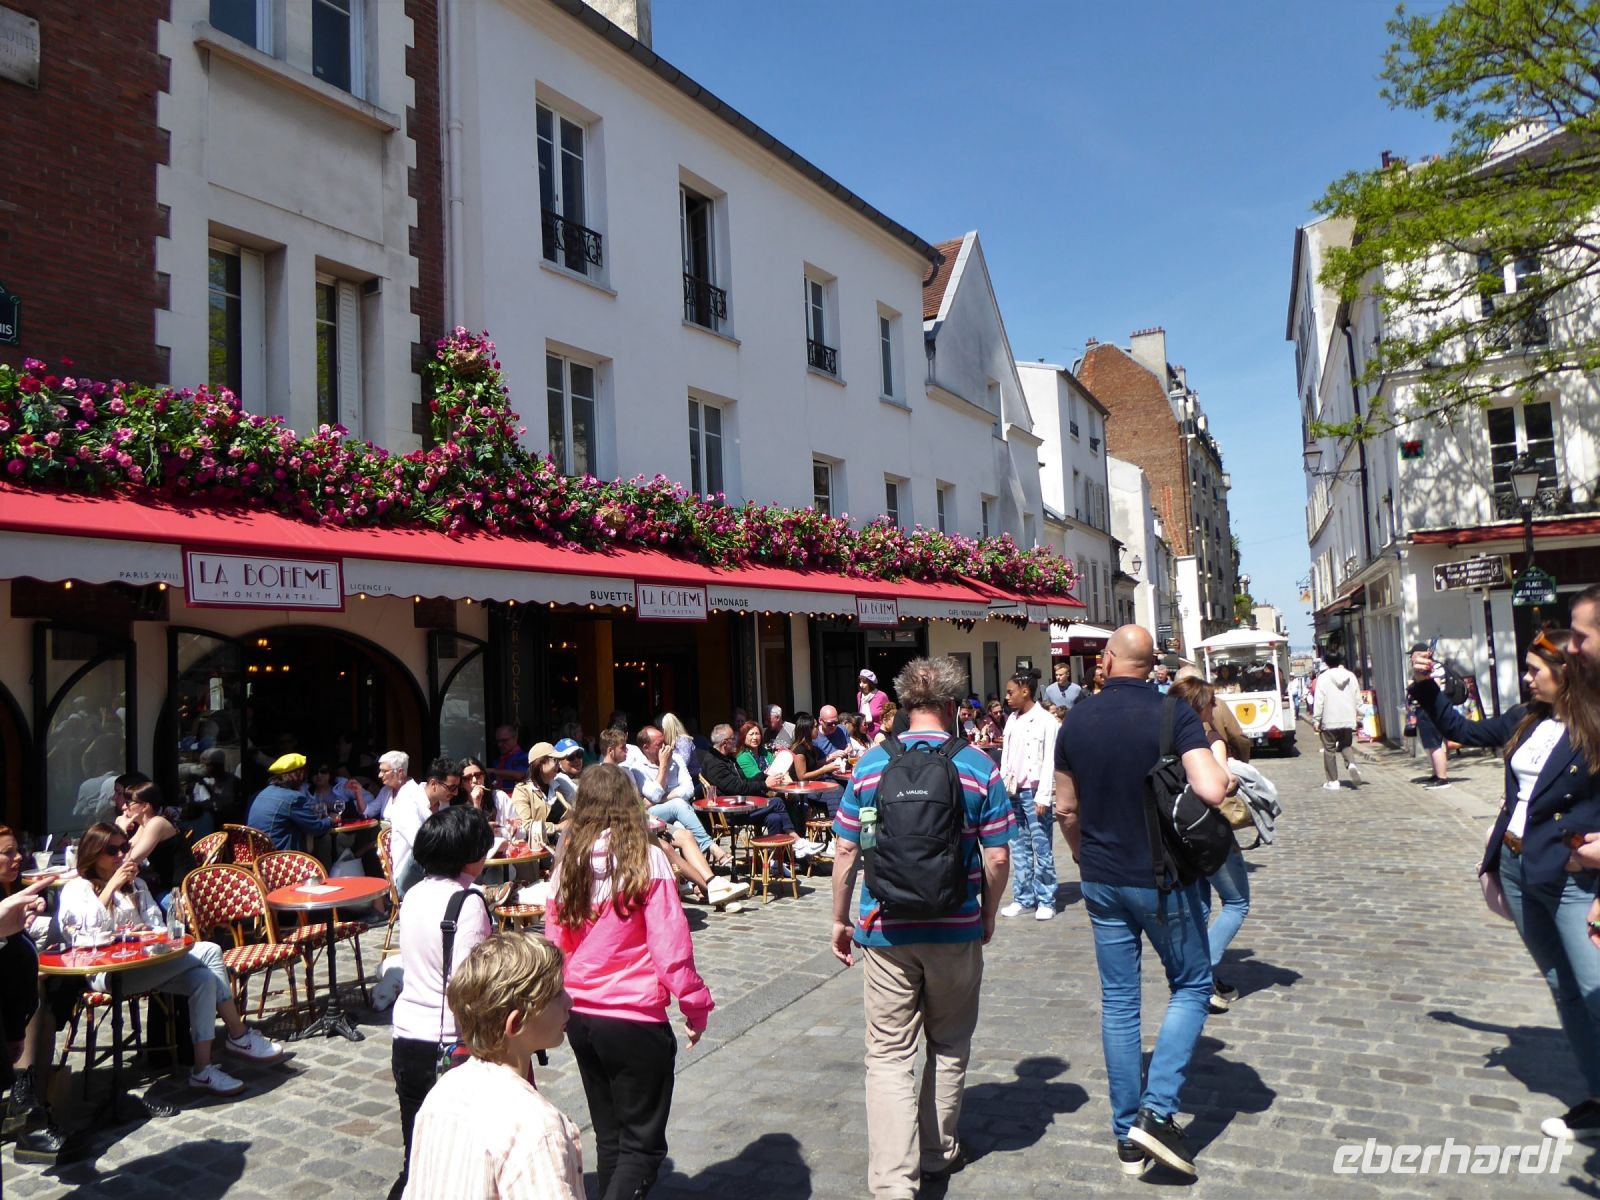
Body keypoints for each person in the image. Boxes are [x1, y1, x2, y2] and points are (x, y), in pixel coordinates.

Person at [830, 656, 1012, 1199]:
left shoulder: (870, 765)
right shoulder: (978, 766)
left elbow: (846, 850)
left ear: (905, 704)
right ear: (953, 706)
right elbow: (998, 856)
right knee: (949, 1042)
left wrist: (840, 918)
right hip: (955, 926)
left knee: (888, 1055)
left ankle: (893, 1183)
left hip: (886, 928)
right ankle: (937, 1151)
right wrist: (988, 912)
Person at [1053, 625, 1231, 1178]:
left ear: (1107, 661)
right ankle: (1156, 1112)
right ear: (1152, 665)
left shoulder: (1076, 719)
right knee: (1193, 985)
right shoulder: (1171, 714)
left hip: (1101, 879)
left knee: (1119, 1002)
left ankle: (1126, 1135)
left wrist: (1082, 856)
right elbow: (1212, 789)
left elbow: (1065, 808)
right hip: (1161, 878)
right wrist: (1221, 761)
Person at [1414, 636, 1600, 1144]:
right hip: (1519, 868)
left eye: (1536, 669)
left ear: (1567, 673)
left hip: (1571, 877)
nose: (1527, 677)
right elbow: (1463, 731)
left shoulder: (1592, 726)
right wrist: (1426, 686)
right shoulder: (1527, 718)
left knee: (1593, 988)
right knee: (1563, 987)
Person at [546, 764, 714, 1200]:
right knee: (641, 1146)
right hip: (633, 1013)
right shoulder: (647, 857)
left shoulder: (568, 861)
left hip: (581, 1013)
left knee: (610, 1136)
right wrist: (695, 1004)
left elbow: (554, 941)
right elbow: (670, 945)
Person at [59, 823, 286, 1096]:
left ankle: (202, 1069)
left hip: (145, 964)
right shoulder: (77, 888)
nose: (120, 855)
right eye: (111, 850)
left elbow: (158, 926)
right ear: (94, 853)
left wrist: (145, 929)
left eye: (124, 848)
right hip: (106, 972)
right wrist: (112, 887)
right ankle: (238, 1034)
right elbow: (84, 934)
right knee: (210, 951)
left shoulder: (136, 885)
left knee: (203, 979)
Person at [402, 932, 584, 1200]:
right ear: (516, 1023)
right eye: (557, 994)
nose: (569, 1002)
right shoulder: (535, 1128)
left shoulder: (441, 1093)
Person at [388, 805, 496, 1200]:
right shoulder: (467, 903)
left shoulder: (414, 894)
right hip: (450, 1045)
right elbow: (469, 984)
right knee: (456, 1162)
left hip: (407, 1036)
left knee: (417, 1156)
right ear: (470, 854)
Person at [1169, 676, 1250, 1015]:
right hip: (1209, 832)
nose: (1214, 708)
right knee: (1237, 903)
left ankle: (1197, 974)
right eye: (1211, 703)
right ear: (1198, 705)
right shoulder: (1208, 740)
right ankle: (1202, 975)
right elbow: (1219, 785)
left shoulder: (1166, 738)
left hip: (1178, 831)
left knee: (1199, 906)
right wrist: (1233, 777)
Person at [0, 830, 65, 1161]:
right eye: (7, 853)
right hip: (7, 1007)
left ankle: (34, 1107)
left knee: (49, 1007)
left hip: (17, 999)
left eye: (17, 851)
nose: (17, 859)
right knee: (41, 1001)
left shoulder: (8, 895)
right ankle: (26, 1106)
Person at [998, 671, 1059, 921]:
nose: (1007, 697)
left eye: (1010, 692)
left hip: (1034, 792)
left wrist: (1043, 795)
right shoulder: (1012, 719)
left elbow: (1050, 760)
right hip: (1013, 790)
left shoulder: (1046, 721)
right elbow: (1007, 756)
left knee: (1041, 846)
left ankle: (1046, 899)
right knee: (1019, 847)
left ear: (1025, 691)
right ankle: (1023, 897)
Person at [627, 727, 730, 868]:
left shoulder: (676, 758)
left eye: (665, 742)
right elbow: (655, 795)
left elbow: (689, 790)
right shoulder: (638, 768)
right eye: (659, 744)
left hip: (682, 813)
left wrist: (661, 799)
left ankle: (693, 876)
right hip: (654, 815)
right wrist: (664, 765)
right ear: (646, 748)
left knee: (684, 830)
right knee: (678, 804)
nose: (665, 747)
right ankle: (709, 845)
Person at [390, 758, 463, 898]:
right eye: (452, 788)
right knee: (426, 846)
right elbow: (421, 844)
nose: (455, 793)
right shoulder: (407, 802)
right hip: (409, 881)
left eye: (457, 788)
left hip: (439, 873)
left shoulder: (443, 803)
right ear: (434, 784)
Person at [246, 753, 334, 852]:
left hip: (256, 854)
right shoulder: (293, 798)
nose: (304, 779)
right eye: (304, 773)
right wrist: (331, 819)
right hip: (279, 857)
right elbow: (317, 828)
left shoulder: (256, 795)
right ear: (298, 774)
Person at [117, 780, 186, 901]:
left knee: (125, 901)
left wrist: (121, 830)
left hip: (177, 894)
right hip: (163, 887)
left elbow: (127, 862)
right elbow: (124, 853)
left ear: (145, 806)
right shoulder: (145, 825)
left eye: (128, 803)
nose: (123, 807)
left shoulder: (157, 823)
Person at [1311, 651, 1363, 791]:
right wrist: (1360, 713)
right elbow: (1357, 696)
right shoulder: (1350, 676)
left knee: (1329, 749)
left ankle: (1333, 781)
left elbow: (1319, 700)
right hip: (1347, 718)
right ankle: (1351, 763)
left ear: (1326, 662)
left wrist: (1316, 719)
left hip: (1329, 719)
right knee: (1346, 745)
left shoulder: (1323, 678)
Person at [510, 743, 564, 829]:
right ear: (540, 763)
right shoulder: (522, 791)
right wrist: (557, 827)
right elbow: (524, 825)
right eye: (555, 760)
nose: (559, 765)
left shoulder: (558, 786)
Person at [459, 757, 513, 825]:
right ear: (461, 783)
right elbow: (474, 830)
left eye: (478, 775)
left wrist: (514, 825)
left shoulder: (499, 797)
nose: (474, 780)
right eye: (467, 778)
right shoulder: (458, 807)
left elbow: (518, 826)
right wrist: (476, 804)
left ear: (484, 776)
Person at [368, 750, 412, 821]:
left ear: (400, 772)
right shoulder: (385, 790)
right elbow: (369, 812)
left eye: (384, 771)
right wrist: (358, 792)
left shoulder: (413, 793)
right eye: (380, 771)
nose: (379, 775)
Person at [487, 725, 530, 790]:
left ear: (515, 738)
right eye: (498, 741)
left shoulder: (525, 757)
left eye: (504, 740)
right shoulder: (497, 762)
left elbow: (521, 775)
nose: (499, 744)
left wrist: (494, 771)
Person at [550, 738, 586, 809]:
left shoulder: (585, 775)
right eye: (570, 757)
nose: (576, 760)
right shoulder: (560, 779)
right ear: (559, 762)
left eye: (579, 754)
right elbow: (582, 804)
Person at [857, 669, 890, 738]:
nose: (861, 685)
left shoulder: (881, 696)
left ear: (871, 683)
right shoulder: (859, 695)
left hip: (880, 736)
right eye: (860, 682)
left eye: (864, 682)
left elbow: (889, 716)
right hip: (864, 736)